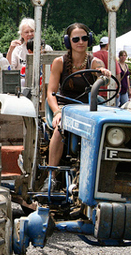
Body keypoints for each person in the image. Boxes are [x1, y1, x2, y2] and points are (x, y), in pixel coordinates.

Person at [46, 23, 110, 174]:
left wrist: (103, 74)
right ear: (69, 42)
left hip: (87, 107)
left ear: (90, 40)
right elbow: (51, 92)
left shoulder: (95, 63)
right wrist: (57, 112)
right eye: (76, 39)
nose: (80, 42)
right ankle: (52, 175)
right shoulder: (59, 63)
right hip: (65, 106)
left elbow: (104, 79)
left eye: (84, 38)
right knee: (60, 128)